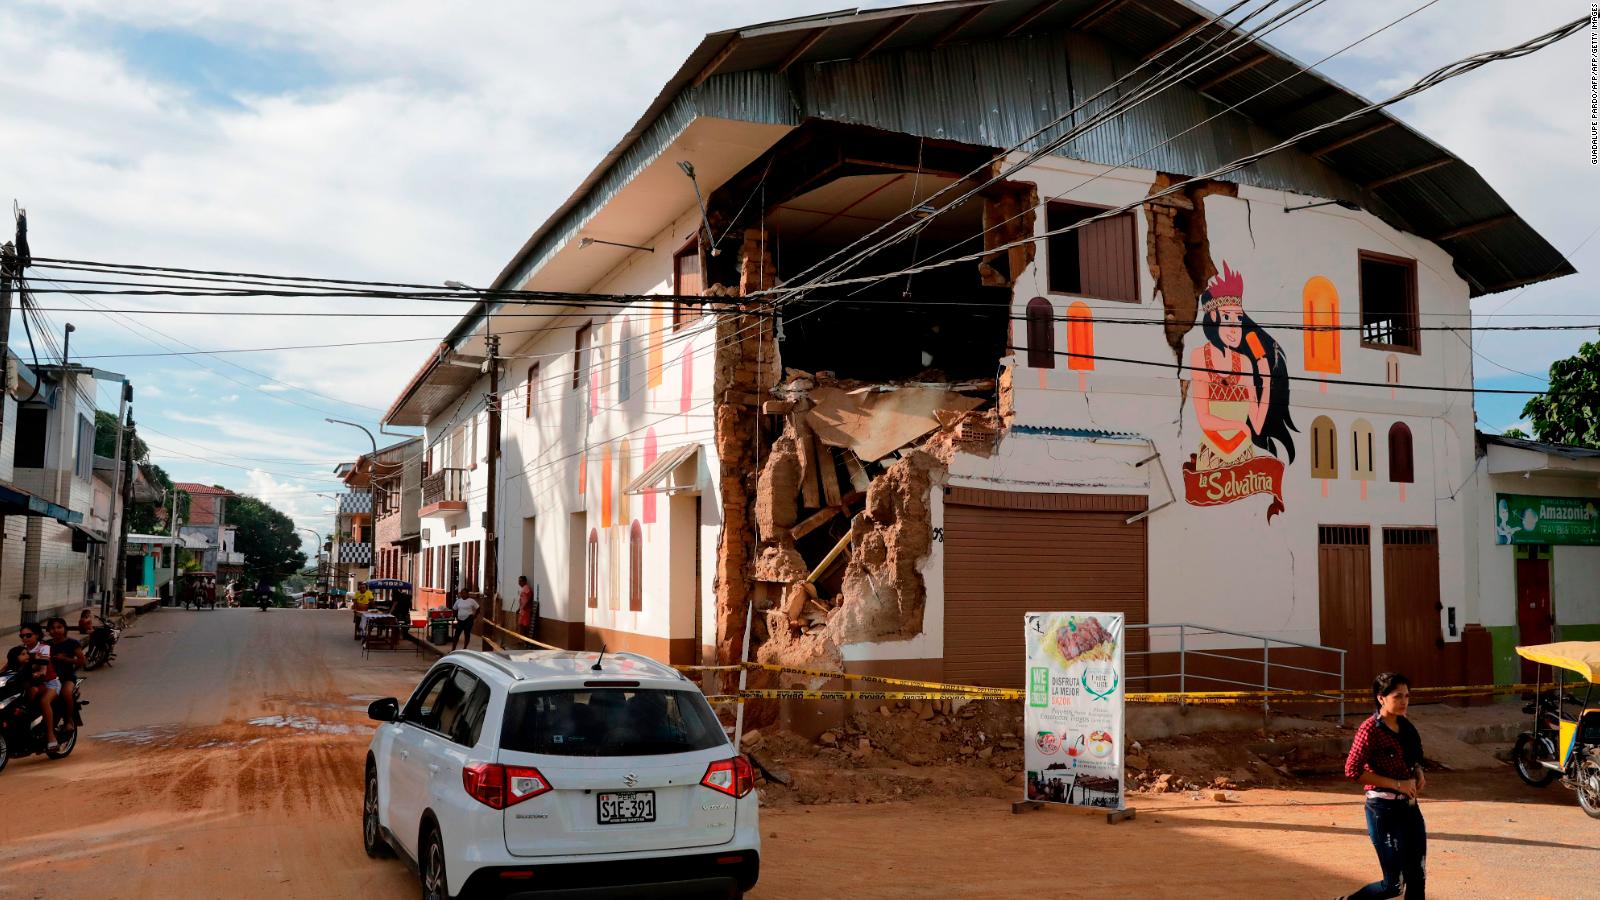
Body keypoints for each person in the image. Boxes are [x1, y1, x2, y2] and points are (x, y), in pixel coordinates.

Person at [1341, 673, 1427, 899]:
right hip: (1383, 811)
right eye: (1398, 696)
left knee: (1417, 877)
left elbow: (1416, 757)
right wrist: (1397, 784)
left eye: (1407, 696)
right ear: (1381, 698)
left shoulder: (1406, 727)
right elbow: (1352, 770)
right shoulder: (1370, 729)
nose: (1404, 701)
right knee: (1393, 885)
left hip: (1409, 809)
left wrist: (1418, 772)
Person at [15, 622, 64, 748]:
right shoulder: (22, 650)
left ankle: (50, 736)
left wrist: (40, 672)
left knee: (44, 702)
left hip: (50, 683)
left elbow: (44, 666)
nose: (25, 638)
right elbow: (10, 663)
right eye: (22, 636)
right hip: (31, 682)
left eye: (28, 635)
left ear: (37, 635)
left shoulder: (44, 647)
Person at [44, 617, 86, 725]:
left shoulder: (72, 643)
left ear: (65, 628)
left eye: (59, 627)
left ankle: (68, 721)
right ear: (48, 630)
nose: (56, 630)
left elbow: (82, 661)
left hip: (67, 677)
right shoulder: (46, 644)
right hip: (50, 677)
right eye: (52, 628)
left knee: (66, 693)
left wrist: (65, 659)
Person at [516, 575, 537, 640]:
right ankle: (522, 639)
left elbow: (530, 594)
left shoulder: (526, 587)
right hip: (522, 610)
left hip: (526, 610)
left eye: (520, 581)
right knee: (520, 625)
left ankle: (526, 640)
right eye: (518, 581)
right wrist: (519, 608)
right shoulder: (523, 588)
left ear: (524, 581)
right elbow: (522, 600)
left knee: (525, 626)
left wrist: (526, 605)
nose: (519, 582)